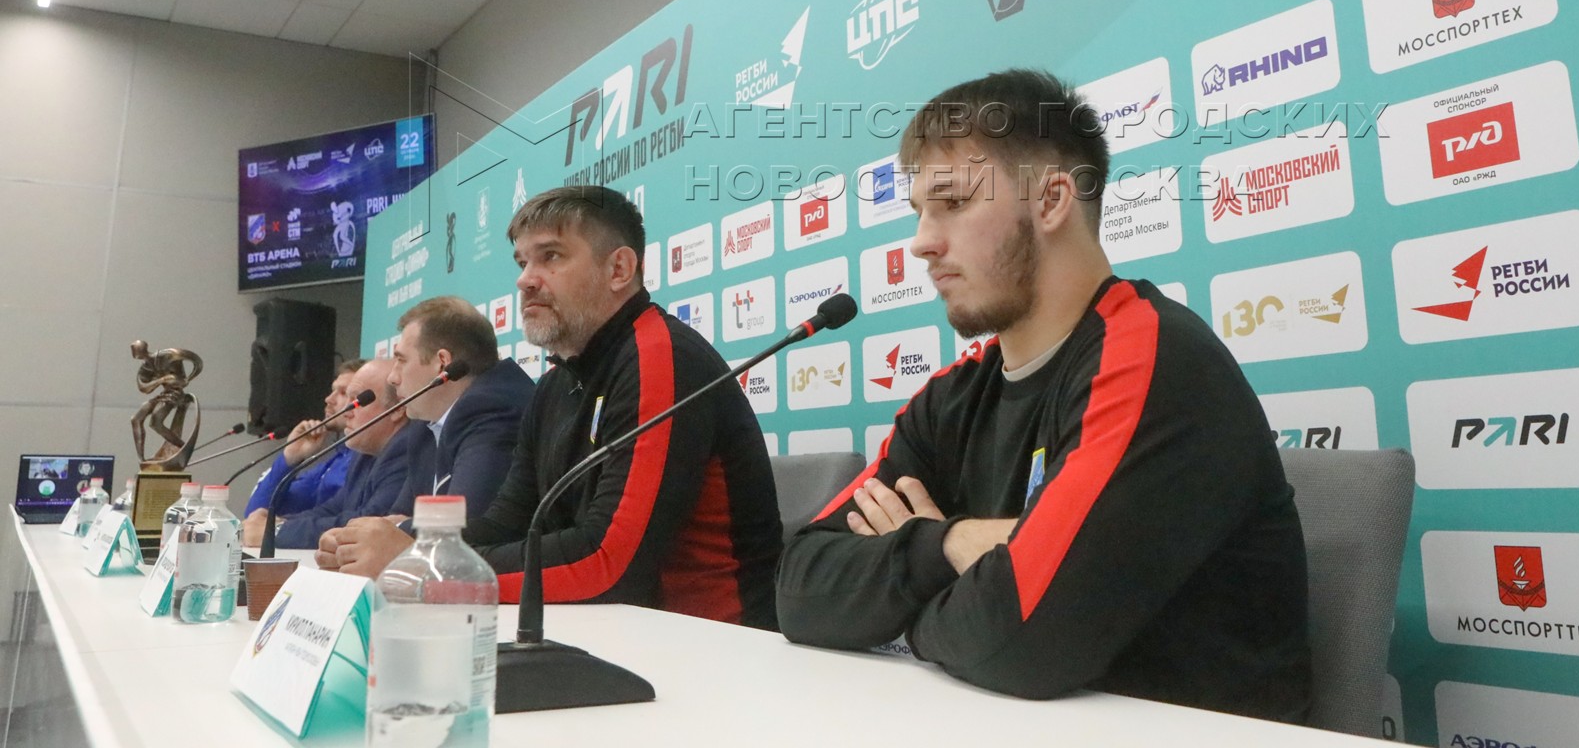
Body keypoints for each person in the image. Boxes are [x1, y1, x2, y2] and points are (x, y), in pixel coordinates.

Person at [776, 69, 1312, 720]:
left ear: (1052, 201)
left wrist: (899, 607)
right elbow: (798, 589)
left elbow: (1017, 640)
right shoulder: (951, 397)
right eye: (918, 212)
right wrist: (947, 544)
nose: (921, 243)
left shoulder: (1156, 358)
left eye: (953, 202)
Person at [317, 186, 784, 630]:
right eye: (523, 262)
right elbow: (508, 522)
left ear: (619, 269)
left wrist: (422, 567)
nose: (525, 280)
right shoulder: (556, 383)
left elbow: (609, 563)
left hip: (709, 643)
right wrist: (405, 544)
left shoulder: (660, 357)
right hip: (613, 631)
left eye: (551, 257)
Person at [313, 295, 533, 569]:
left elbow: (465, 526)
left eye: (401, 361)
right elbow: (398, 515)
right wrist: (354, 540)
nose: (392, 378)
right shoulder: (424, 426)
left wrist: (388, 532)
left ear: (442, 363)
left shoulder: (493, 408)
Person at [271, 358, 424, 549]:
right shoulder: (364, 453)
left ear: (398, 409)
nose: (347, 412)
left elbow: (370, 522)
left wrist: (277, 532)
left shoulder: (406, 450)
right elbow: (334, 508)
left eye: (358, 401)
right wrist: (276, 525)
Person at [240, 360, 360, 547]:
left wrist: (279, 528)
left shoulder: (364, 461)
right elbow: (255, 515)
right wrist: (290, 458)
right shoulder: (333, 461)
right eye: (332, 390)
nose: (329, 399)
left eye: (343, 393)